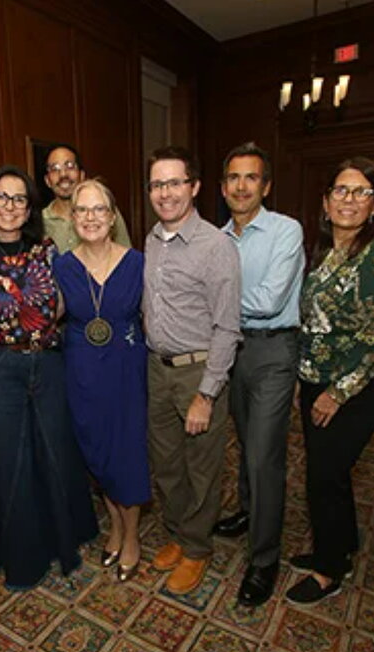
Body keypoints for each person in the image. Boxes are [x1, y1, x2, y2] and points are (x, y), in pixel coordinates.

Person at [0, 165, 99, 589]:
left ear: (29, 208)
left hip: (47, 364)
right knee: (9, 463)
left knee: (54, 454)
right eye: (2, 196)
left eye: (20, 199)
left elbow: (61, 304)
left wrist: (39, 330)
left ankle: (62, 543)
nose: (11, 207)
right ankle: (19, 558)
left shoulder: (46, 249)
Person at [285, 157, 374, 606]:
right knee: (326, 473)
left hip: (356, 388)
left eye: (361, 192)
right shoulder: (321, 253)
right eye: (341, 190)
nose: (349, 200)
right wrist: (305, 378)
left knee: (324, 475)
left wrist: (337, 391)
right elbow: (311, 324)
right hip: (316, 381)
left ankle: (330, 569)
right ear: (326, 201)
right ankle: (341, 546)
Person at [143, 146, 242, 594]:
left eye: (174, 183)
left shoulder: (216, 245)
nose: (165, 193)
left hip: (197, 371)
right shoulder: (150, 240)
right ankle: (180, 535)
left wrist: (207, 392)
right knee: (166, 464)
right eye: (157, 184)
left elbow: (228, 327)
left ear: (195, 187)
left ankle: (198, 548)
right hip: (156, 369)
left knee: (201, 466)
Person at [216, 142, 305, 606]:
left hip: (273, 350)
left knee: (263, 454)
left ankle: (265, 558)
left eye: (251, 177)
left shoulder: (286, 230)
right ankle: (250, 513)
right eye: (233, 178)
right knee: (245, 438)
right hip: (232, 350)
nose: (241, 186)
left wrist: (213, 305)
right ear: (223, 186)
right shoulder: (218, 237)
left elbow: (270, 301)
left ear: (265, 185)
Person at [53, 178, 151, 582]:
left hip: (126, 370)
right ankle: (114, 524)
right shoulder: (61, 266)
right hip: (80, 372)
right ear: (72, 218)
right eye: (82, 210)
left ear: (112, 217)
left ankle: (132, 536)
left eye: (99, 210)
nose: (90, 218)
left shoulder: (138, 262)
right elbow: (48, 315)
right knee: (96, 454)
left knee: (126, 453)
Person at [42, 143, 132, 252]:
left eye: (70, 166)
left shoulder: (104, 212)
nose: (63, 175)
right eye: (54, 169)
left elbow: (126, 257)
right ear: (47, 180)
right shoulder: (40, 221)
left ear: (82, 175)